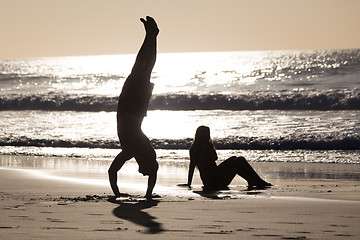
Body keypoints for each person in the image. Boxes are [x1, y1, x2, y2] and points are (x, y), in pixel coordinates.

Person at [108, 16, 159, 200]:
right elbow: (153, 170)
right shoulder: (136, 148)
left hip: (127, 106)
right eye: (144, 171)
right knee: (144, 69)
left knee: (139, 69)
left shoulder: (129, 150)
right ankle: (152, 36)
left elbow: (111, 172)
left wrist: (118, 194)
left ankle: (150, 35)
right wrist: (148, 195)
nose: (142, 173)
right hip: (133, 108)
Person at [186, 126, 271, 190]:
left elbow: (192, 166)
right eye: (207, 134)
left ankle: (252, 180)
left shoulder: (194, 148)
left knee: (235, 159)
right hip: (217, 181)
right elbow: (215, 157)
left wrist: (189, 183)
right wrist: (210, 146)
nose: (209, 135)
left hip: (208, 181)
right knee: (239, 160)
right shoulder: (206, 146)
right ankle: (258, 181)